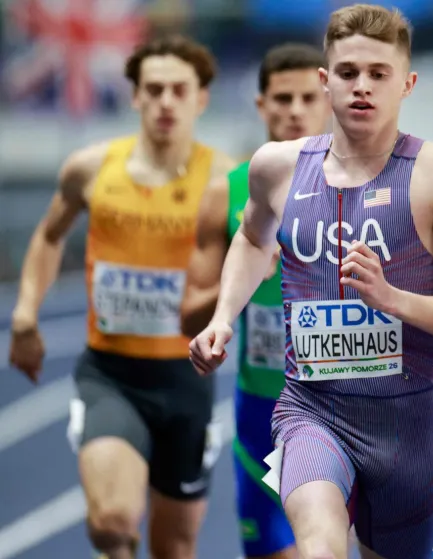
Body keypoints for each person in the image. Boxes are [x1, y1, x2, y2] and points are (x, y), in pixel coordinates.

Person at [188, 5, 433, 559]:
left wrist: (390, 297)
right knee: (319, 547)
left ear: (408, 83)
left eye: (379, 74)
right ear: (326, 82)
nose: (362, 87)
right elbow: (254, 239)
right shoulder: (276, 167)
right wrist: (223, 318)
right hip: (311, 408)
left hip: (410, 426)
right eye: (348, 73)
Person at [7, 36, 236, 559]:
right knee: (112, 524)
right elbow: (48, 235)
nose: (165, 102)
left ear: (201, 99)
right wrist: (25, 316)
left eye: (179, 90)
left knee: (174, 547)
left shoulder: (227, 180)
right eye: (153, 90)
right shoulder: (91, 169)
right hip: (112, 374)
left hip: (188, 379)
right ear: (134, 96)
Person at [180, 43, 331, 559]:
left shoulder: (366, 185)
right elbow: (190, 314)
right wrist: (237, 288)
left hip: (347, 406)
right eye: (281, 98)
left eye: (307, 97)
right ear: (260, 104)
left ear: (329, 98)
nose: (294, 110)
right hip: (263, 412)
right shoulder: (228, 193)